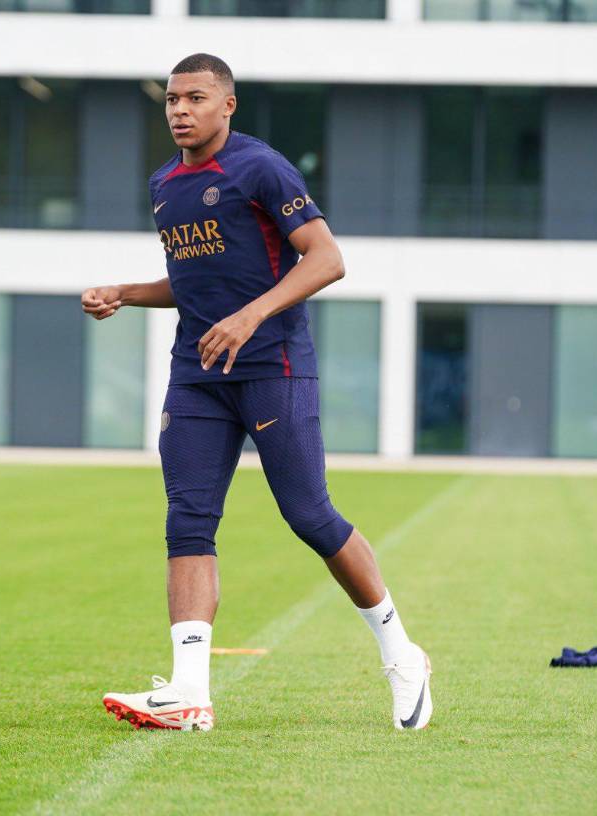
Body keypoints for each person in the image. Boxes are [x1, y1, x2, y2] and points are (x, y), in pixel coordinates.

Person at [83, 54, 431, 732]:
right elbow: (190, 284)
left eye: (196, 98)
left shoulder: (261, 168)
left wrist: (250, 316)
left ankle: (402, 652)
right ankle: (189, 692)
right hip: (198, 374)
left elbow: (327, 258)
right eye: (172, 100)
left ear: (227, 105)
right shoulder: (163, 185)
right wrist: (125, 293)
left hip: (275, 367)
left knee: (309, 516)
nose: (180, 110)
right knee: (187, 520)